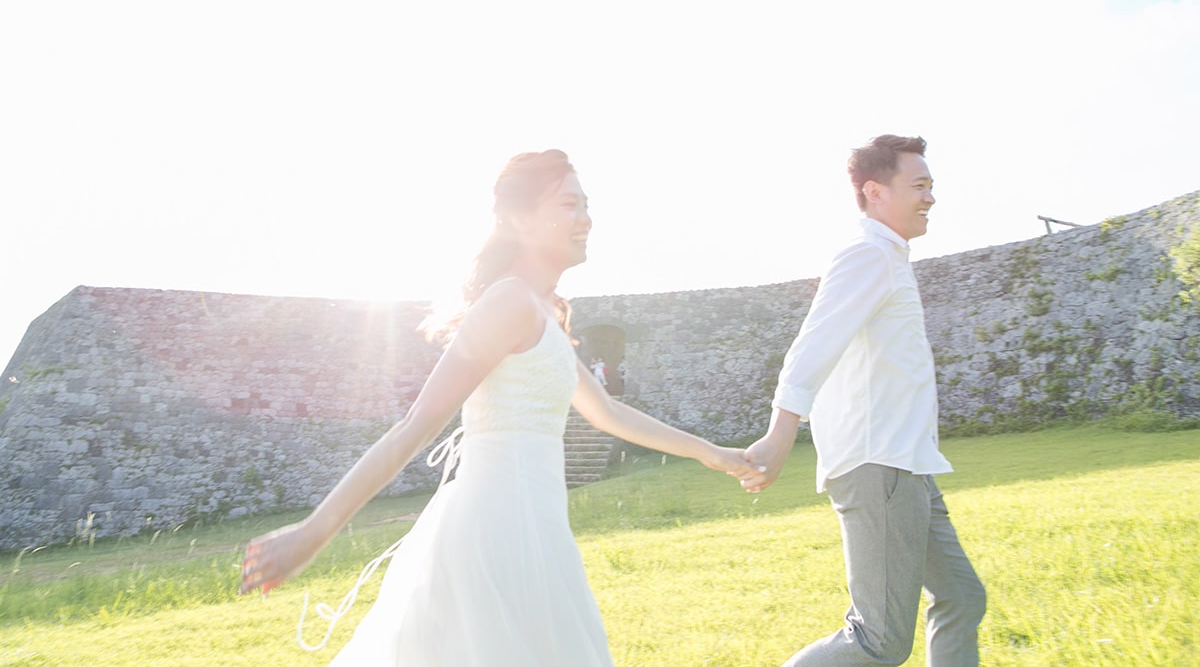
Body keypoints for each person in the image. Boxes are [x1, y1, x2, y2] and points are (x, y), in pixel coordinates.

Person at [240, 149, 759, 666]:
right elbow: (415, 427)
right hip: (495, 533)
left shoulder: (541, 312)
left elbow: (606, 412)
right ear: (519, 218)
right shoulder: (508, 303)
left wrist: (710, 453)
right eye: (569, 204)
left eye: (585, 205)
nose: (585, 218)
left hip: (537, 529)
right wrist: (314, 532)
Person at [741, 136, 986, 667]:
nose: (930, 198)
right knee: (878, 639)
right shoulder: (868, 255)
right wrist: (781, 433)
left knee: (962, 597)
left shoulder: (888, 257)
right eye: (918, 186)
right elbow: (813, 346)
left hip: (907, 465)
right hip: (880, 467)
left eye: (931, 186)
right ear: (875, 192)